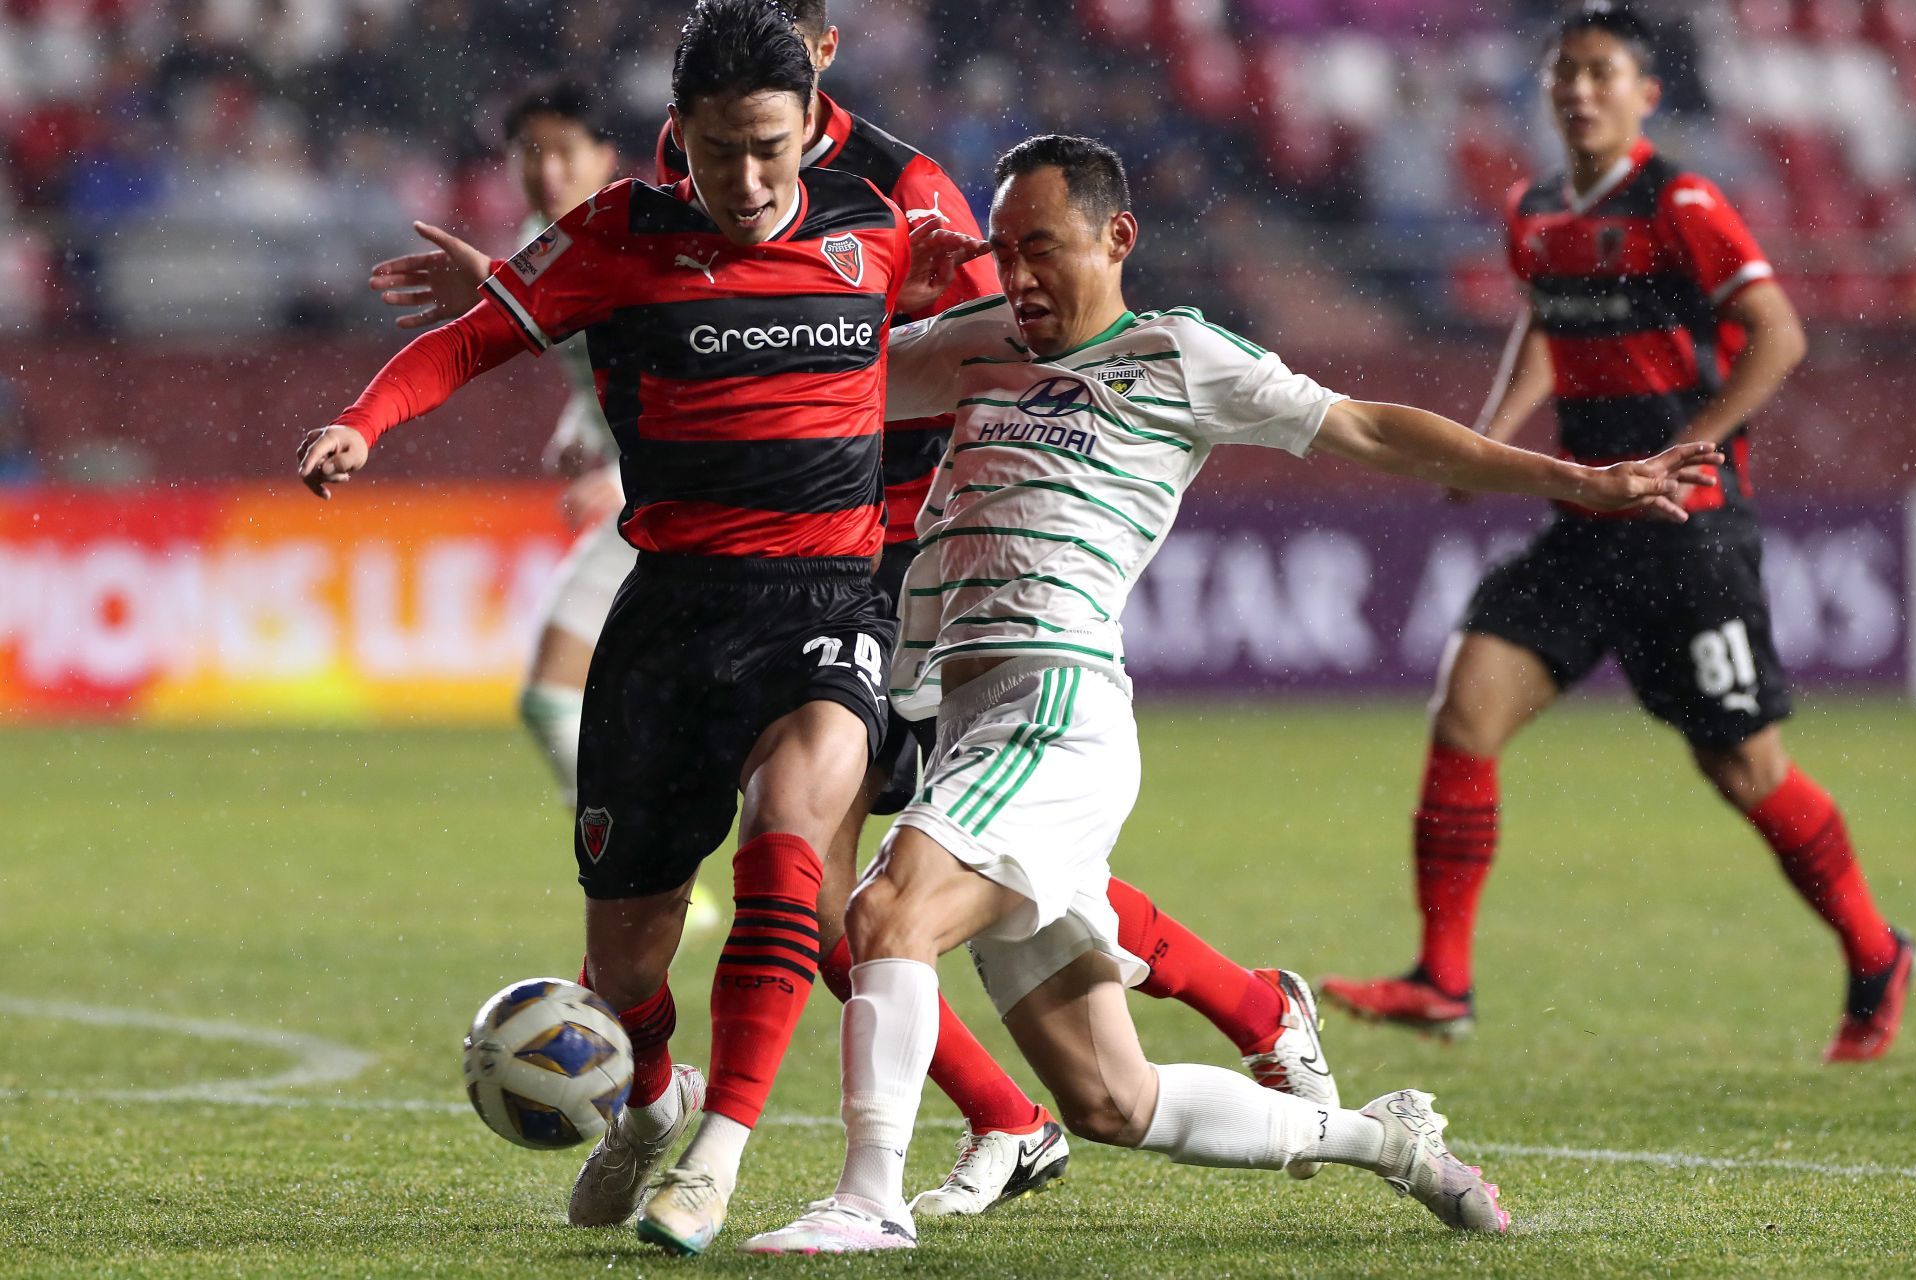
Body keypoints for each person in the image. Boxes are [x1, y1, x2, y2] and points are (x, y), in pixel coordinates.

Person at [375, 0, 1352, 1223]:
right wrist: (536, 310)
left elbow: (1018, 333)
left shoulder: (902, 189)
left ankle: (939, 1129)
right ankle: (1079, 1084)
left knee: (881, 886)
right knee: (891, 890)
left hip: (886, 561)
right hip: (770, 561)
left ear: (823, 51)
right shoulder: (712, 171)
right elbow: (687, 324)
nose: (744, 158)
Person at [743, 133, 1718, 1253]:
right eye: (1003, 250)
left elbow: (1364, 425)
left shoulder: (1176, 354)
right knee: (1112, 1099)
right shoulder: (978, 341)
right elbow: (816, 373)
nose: (1017, 278)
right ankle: (1383, 1138)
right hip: (969, 726)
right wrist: (855, 290)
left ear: (1119, 238)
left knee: (882, 912)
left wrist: (1575, 477)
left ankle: (870, 1201)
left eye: (1042, 249)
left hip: (1054, 712)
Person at [297, 0, 984, 1256]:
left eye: (771, 146)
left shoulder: (884, 224)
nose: (748, 178)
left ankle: (719, 1148)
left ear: (808, 126)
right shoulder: (620, 234)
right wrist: (362, 423)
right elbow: (468, 342)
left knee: (794, 830)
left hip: (829, 601)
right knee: (625, 963)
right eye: (720, 149)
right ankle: (648, 1106)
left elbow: (996, 328)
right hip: (671, 616)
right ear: (679, 133)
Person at [1319, 2, 1910, 1063]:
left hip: (1690, 529)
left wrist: (1698, 444)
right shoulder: (1534, 208)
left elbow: (1780, 333)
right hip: (1589, 518)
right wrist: (1486, 440)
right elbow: (1549, 322)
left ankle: (1876, 952)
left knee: (1746, 769)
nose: (1580, 90)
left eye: (1602, 73)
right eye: (1566, 74)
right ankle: (1442, 976)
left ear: (1645, 93)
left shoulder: (1679, 199)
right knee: (1468, 704)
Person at [371, 79, 723, 936]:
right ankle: (670, 867)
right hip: (652, 494)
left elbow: (677, 347)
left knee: (581, 697)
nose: (548, 167)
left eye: (566, 149)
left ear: (609, 158)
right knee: (652, 703)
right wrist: (584, 428)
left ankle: (652, 871)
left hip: (683, 495)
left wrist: (622, 467)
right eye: (531, 150)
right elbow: (601, 357)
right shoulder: (542, 241)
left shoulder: (634, 233)